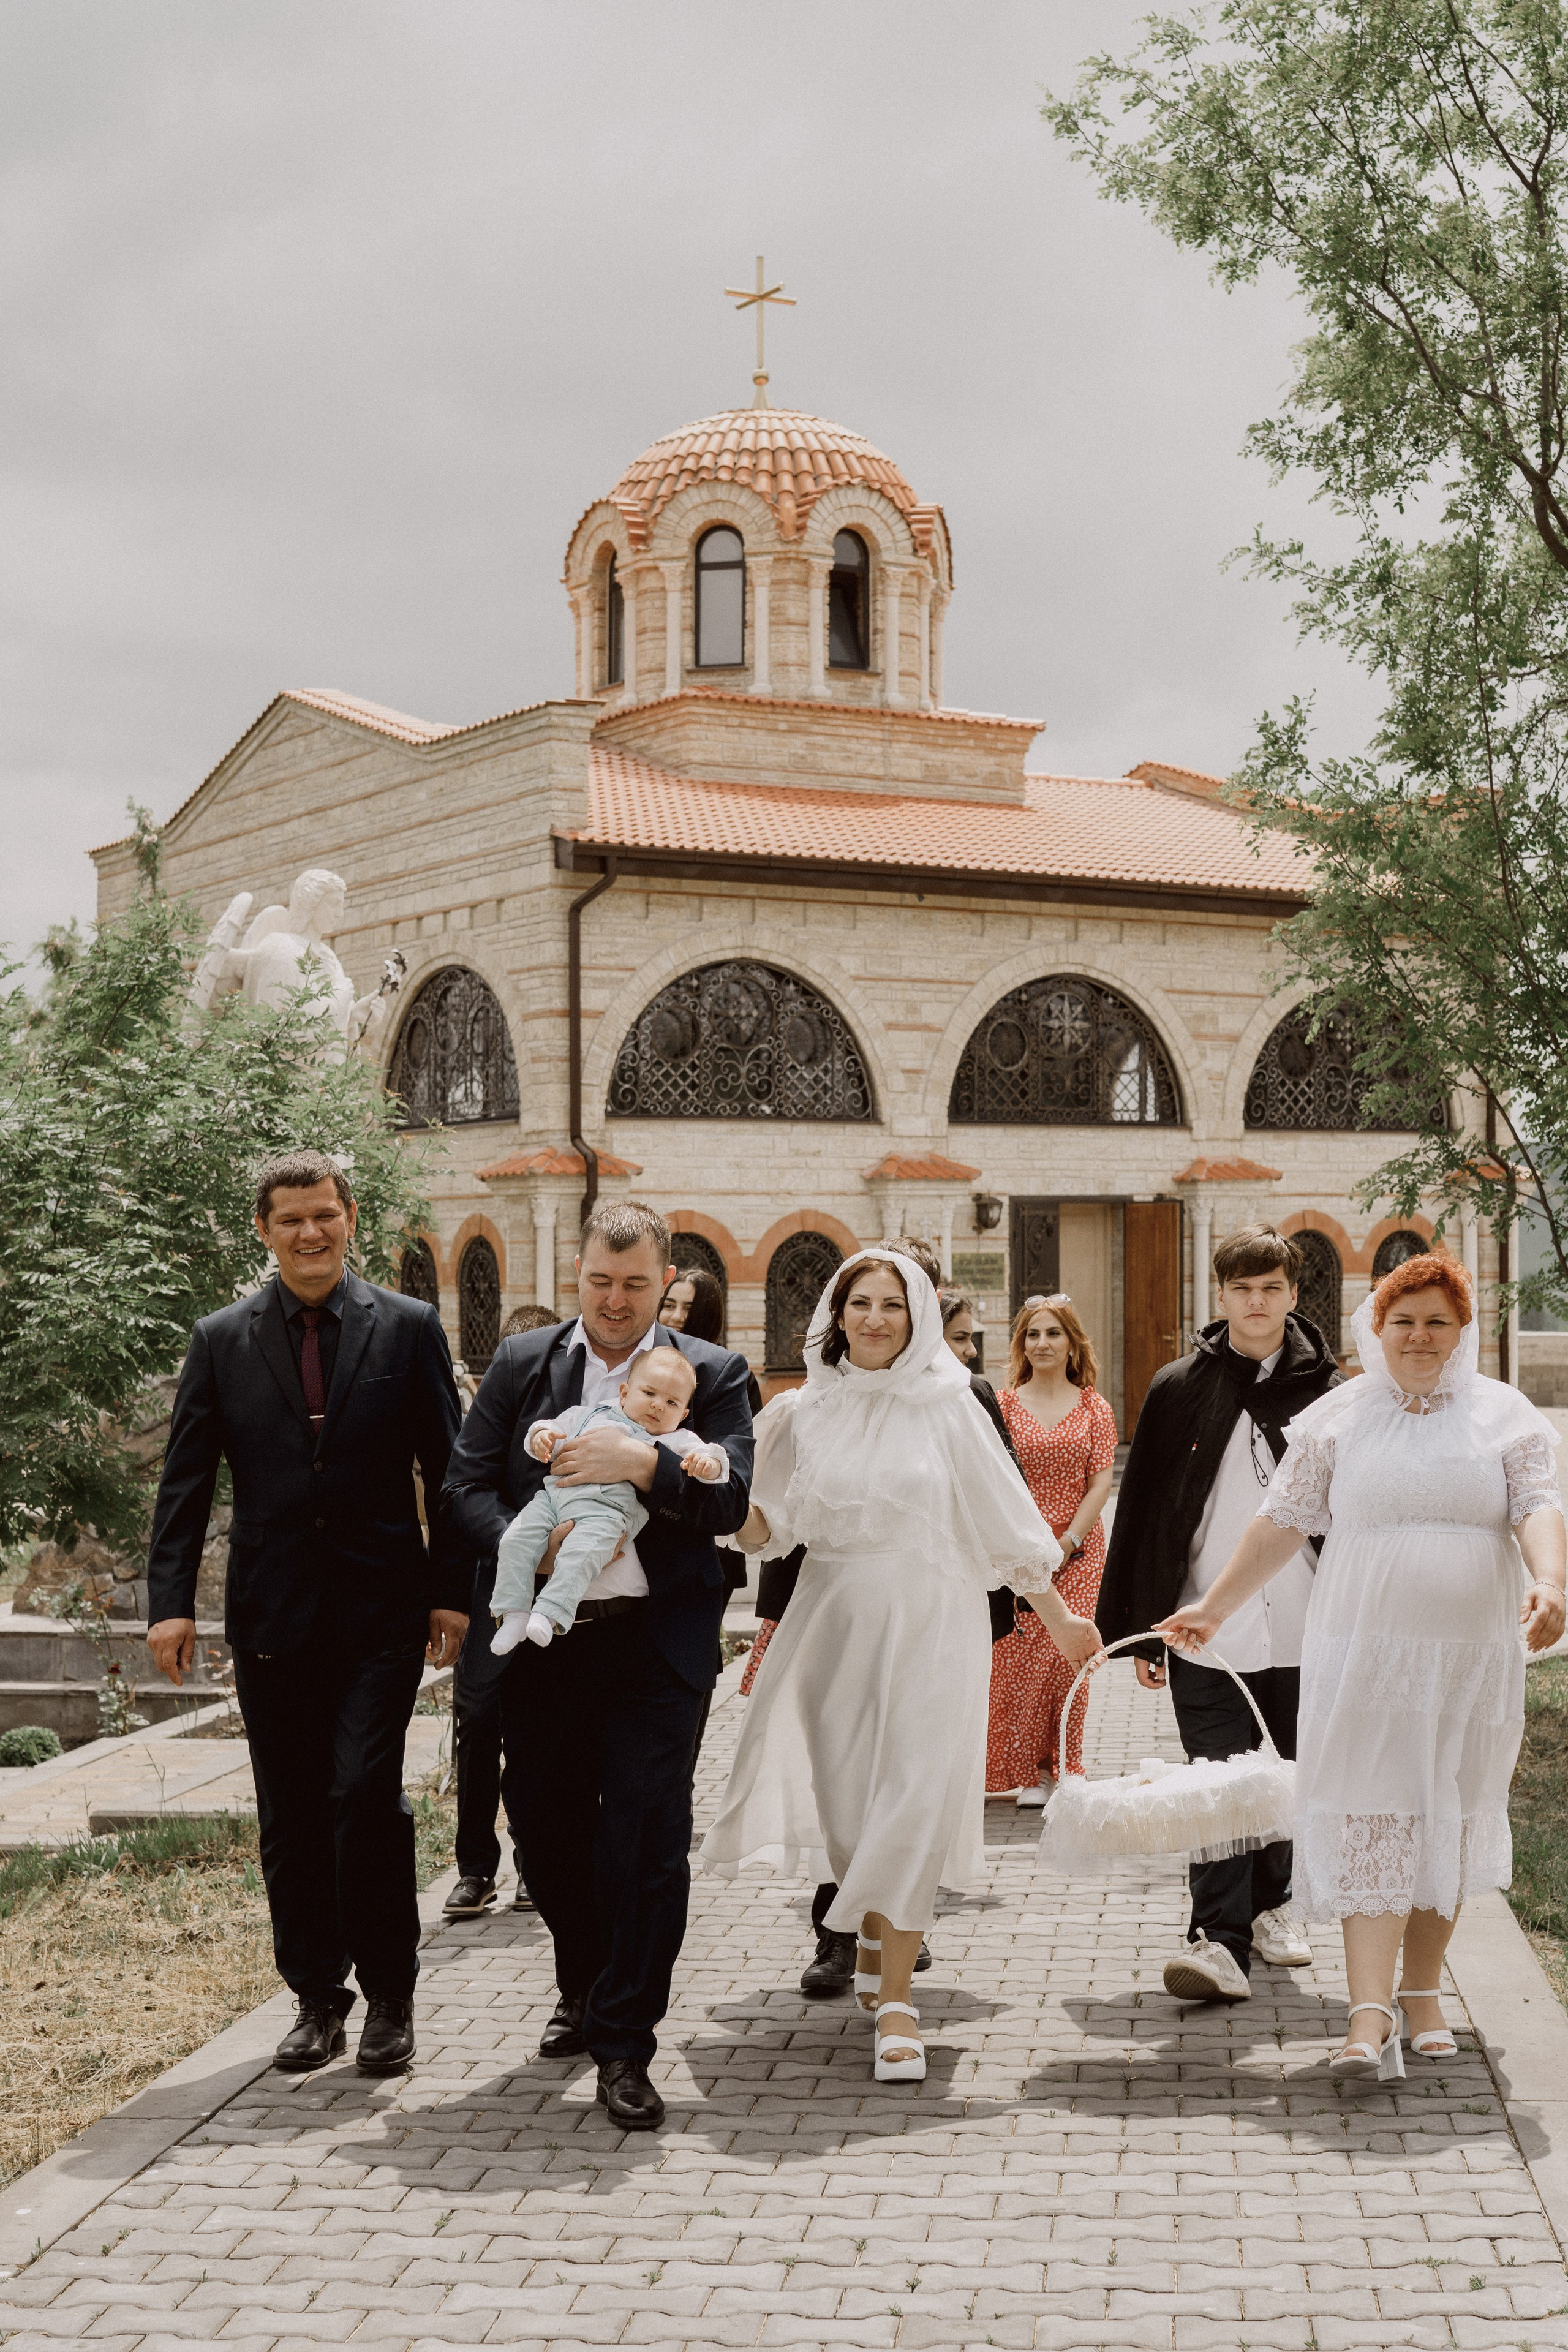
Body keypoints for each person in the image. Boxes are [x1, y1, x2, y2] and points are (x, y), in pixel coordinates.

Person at [1158, 1253, 1567, 2078]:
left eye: (1437, 1322)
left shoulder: (1505, 1415)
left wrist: (1552, 1580)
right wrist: (1214, 1606)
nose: (1419, 1336)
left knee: (1444, 1809)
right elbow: (1282, 1522)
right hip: (1363, 1654)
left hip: (1468, 1661)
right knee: (1374, 1814)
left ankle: (1422, 1992)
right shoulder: (1341, 1416)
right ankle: (1366, 2013)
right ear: (1377, 1327)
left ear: (1464, 1331)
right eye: (1403, 1320)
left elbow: (1536, 1504)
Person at [701, 1249, 1099, 2082]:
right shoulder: (803, 1411)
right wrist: (718, 1497)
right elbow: (770, 1529)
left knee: (917, 1797)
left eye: (893, 1305)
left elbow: (1006, 1520)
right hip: (834, 1621)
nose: (876, 1319)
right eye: (860, 1304)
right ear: (836, 1315)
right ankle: (874, 1930)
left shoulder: (950, 1405)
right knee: (852, 1814)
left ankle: (897, 2003)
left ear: (917, 1316)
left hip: (935, 1617)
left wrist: (1061, 1621)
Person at [145, 1150, 468, 2076]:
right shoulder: (222, 1339)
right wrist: (171, 1606)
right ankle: (319, 1998)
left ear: (350, 1217)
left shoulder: (407, 1329)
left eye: (323, 1214)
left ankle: (391, 1999)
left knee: (364, 1794)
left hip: (381, 1610)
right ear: (265, 1231)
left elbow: (447, 1473)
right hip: (272, 1613)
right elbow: (186, 1482)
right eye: (290, 1219)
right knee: (290, 1812)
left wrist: (452, 1589)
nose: (310, 1232)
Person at [442, 1201, 753, 2130]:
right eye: (598, 1282)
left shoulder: (713, 1373)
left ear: (666, 1282)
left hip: (657, 1645)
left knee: (647, 1840)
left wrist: (644, 1462)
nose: (615, 1302)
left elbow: (733, 1499)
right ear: (576, 1276)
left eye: (634, 1284)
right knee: (546, 1829)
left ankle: (625, 2041)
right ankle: (582, 1985)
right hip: (550, 1644)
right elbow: (464, 1486)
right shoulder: (521, 1365)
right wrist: (527, 1553)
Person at [1096, 1224, 1343, 2003]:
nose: (1257, 1302)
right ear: (1221, 1294)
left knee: (1288, 1775)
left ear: (1294, 1295)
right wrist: (1136, 1627)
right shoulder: (1179, 1386)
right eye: (1242, 1289)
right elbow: (1142, 1511)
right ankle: (1216, 1940)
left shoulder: (1330, 1394)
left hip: (1309, 1619)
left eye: (1271, 1288)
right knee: (1216, 1780)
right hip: (1203, 1624)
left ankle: (1276, 1909)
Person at [491, 1351, 729, 1651]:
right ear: (625, 1393)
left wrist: (707, 1465)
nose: (658, 1405)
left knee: (583, 1553)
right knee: (516, 1538)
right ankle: (513, 1612)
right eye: (649, 1393)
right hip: (553, 1499)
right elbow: (547, 1427)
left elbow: (717, 1461)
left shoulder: (676, 1439)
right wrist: (541, 1437)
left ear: (683, 1414)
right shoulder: (589, 1414)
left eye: (671, 1403)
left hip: (606, 1514)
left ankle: (548, 1612)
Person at [443, 1302, 557, 1921]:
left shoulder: (575, 1418)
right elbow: (461, 1498)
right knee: (478, 1725)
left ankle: (532, 1867)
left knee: (539, 1735)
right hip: (488, 1595)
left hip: (554, 1598)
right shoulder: (483, 1420)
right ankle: (473, 1868)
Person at [987, 1295, 1118, 1807]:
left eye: (1053, 1334)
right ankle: (1026, 1773)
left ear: (1071, 1344)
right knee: (1018, 1663)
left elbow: (1101, 1482)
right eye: (1033, 1335)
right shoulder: (1002, 1405)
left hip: (1079, 1552)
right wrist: (1031, 1546)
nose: (1042, 1343)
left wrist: (1069, 1542)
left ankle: (1063, 1766)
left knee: (1068, 1659)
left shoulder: (1094, 1407)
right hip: (1018, 1551)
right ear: (1022, 1345)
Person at [660, 1266, 726, 1342]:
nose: (676, 1317)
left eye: (689, 1309)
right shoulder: (645, 1352)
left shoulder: (721, 1354)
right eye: (669, 1306)